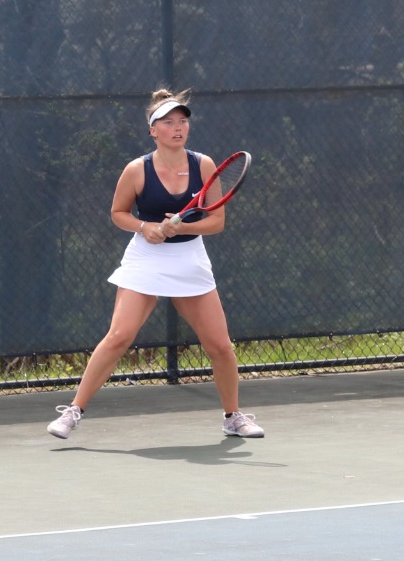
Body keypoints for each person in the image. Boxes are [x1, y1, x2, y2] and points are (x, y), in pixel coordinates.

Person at [47, 90, 262, 441]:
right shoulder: (137, 170)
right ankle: (73, 410)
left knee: (220, 346)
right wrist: (145, 227)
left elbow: (216, 221)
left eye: (182, 122)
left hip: (189, 256)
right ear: (153, 130)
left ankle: (232, 416)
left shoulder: (204, 165)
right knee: (119, 336)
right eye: (168, 123)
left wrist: (183, 227)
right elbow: (118, 214)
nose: (178, 128)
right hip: (146, 258)